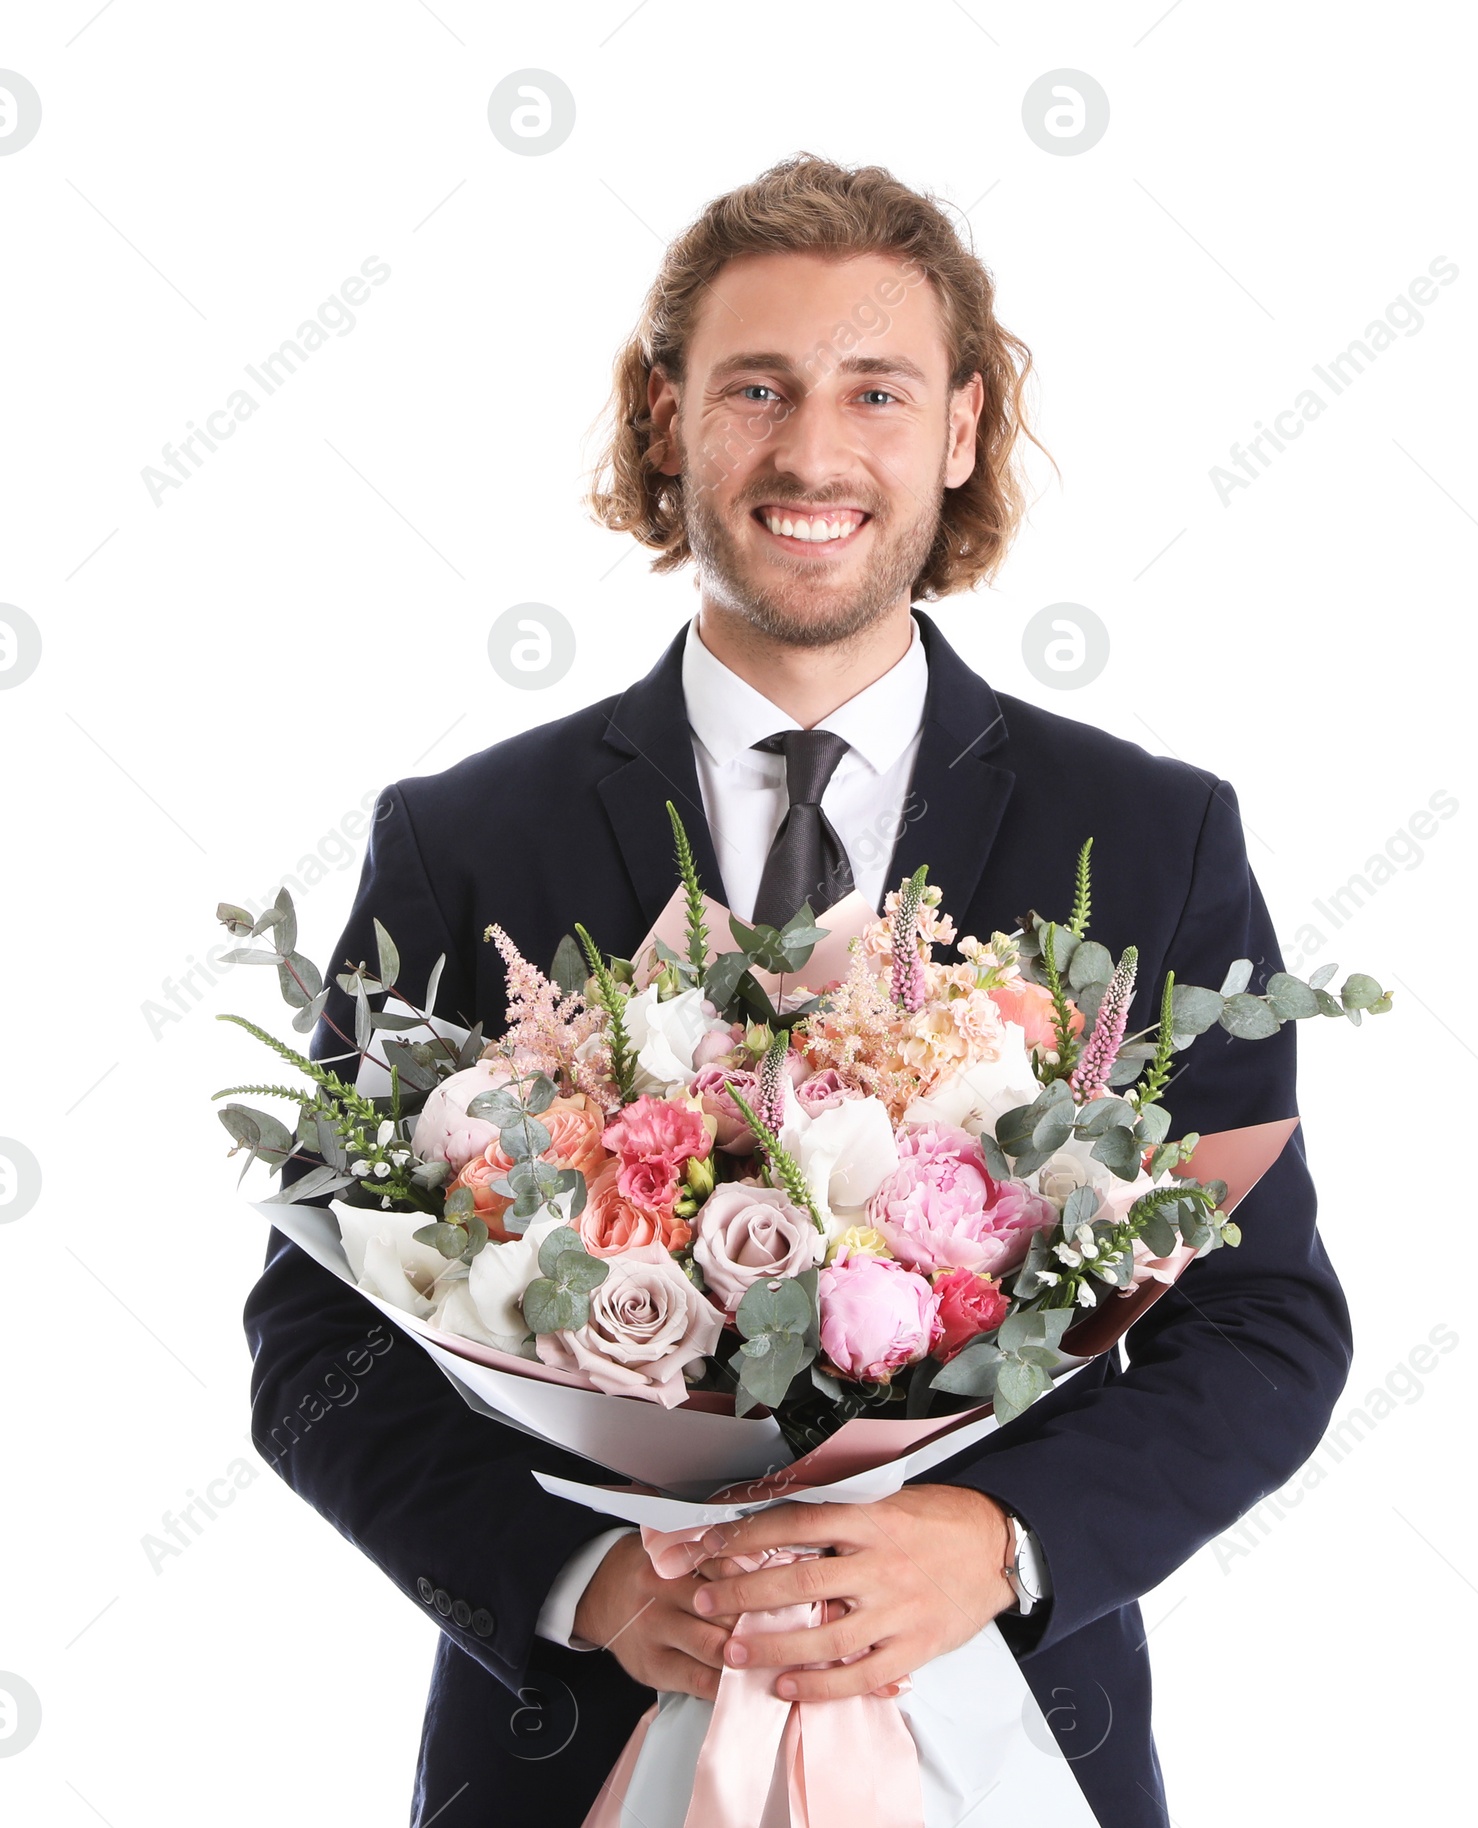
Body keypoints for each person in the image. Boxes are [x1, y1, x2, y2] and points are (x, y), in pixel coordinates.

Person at [245, 154, 1352, 1828]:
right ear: (667, 415)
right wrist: (582, 1580)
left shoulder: (1151, 836)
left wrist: (1001, 1541)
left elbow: (1264, 1319)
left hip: (1008, 1746)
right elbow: (317, 1330)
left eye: (876, 392)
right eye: (755, 388)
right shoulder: (466, 841)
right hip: (575, 1750)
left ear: (963, 429)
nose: (814, 453)